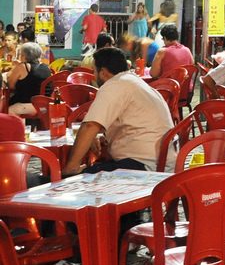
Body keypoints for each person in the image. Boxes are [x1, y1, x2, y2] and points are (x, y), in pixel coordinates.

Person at [62, 47, 175, 175]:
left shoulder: (114, 85)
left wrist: (71, 167)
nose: (94, 75)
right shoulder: (135, 82)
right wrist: (98, 135)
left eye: (94, 71)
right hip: (162, 164)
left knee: (72, 179)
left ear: (103, 72)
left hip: (144, 166)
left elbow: (90, 125)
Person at [4, 43, 51, 118]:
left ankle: (15, 128)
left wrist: (15, 68)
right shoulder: (46, 67)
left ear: (23, 56)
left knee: (8, 105)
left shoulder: (22, 67)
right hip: (45, 104)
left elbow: (10, 85)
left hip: (28, 105)